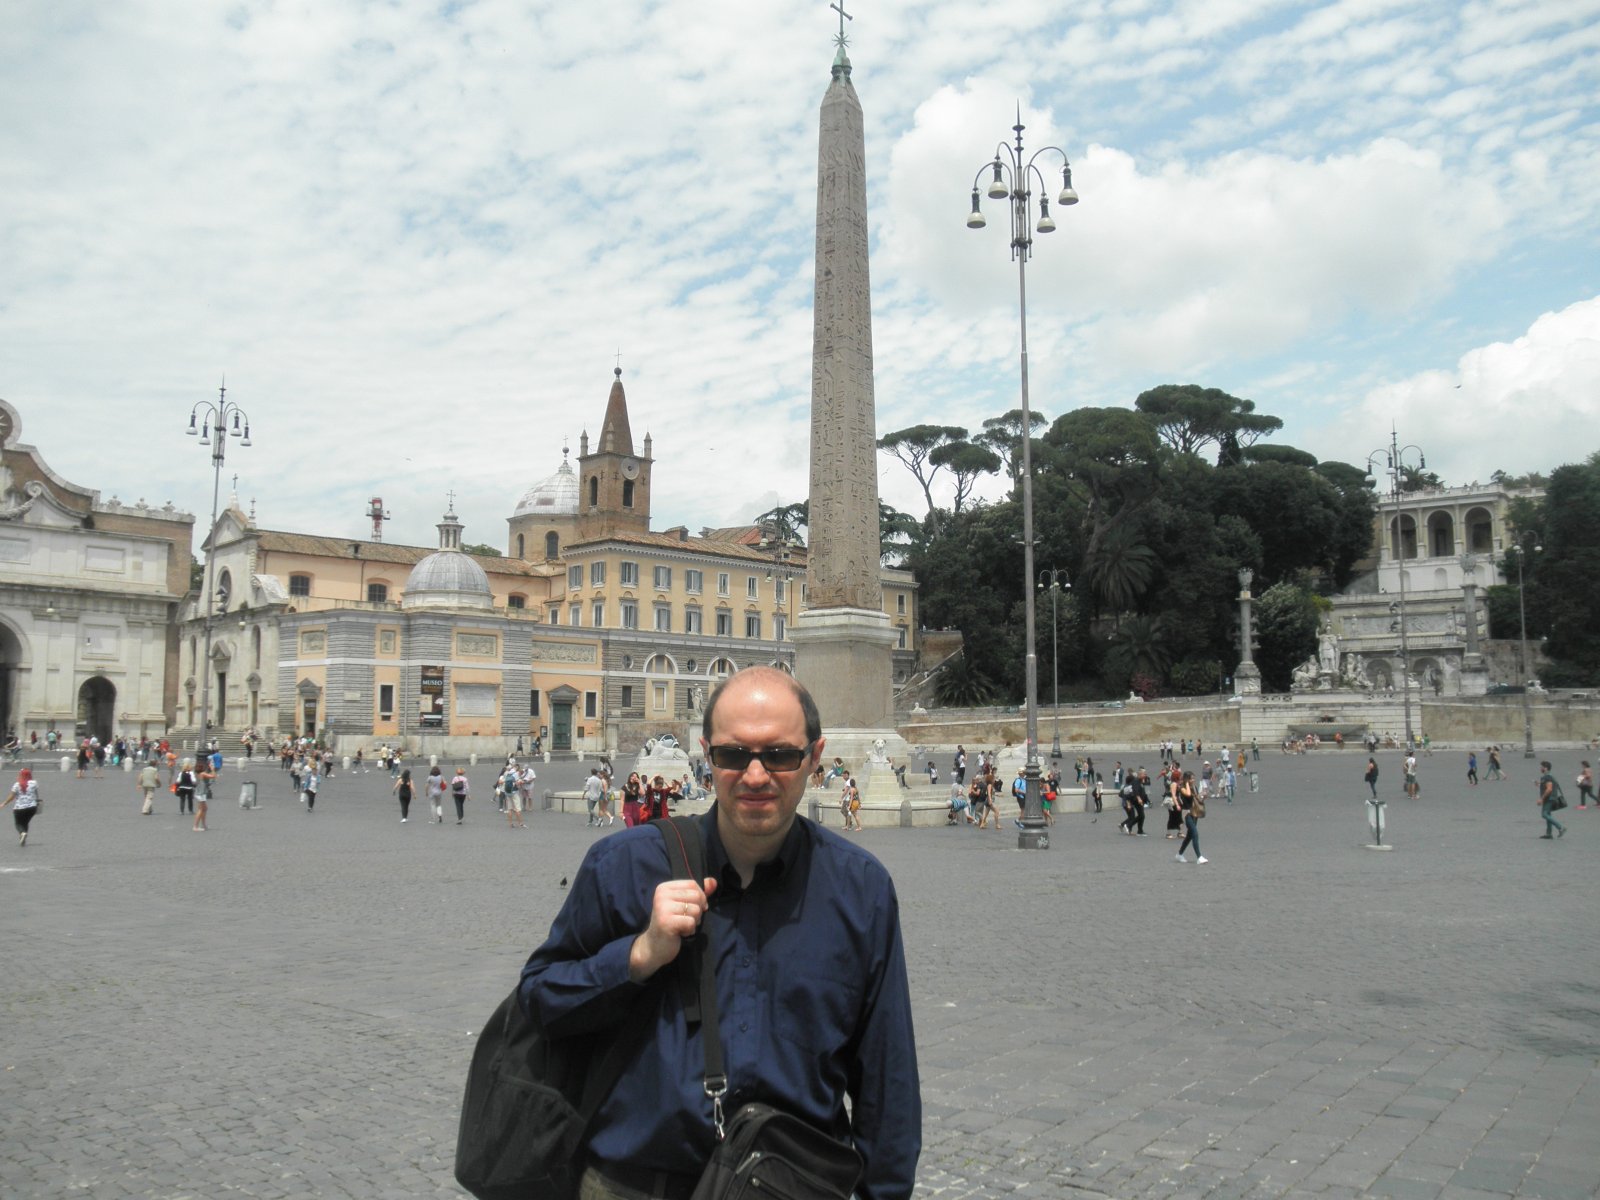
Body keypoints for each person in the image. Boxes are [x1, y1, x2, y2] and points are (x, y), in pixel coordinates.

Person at [519, 666, 920, 1200]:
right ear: (707, 757)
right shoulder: (622, 867)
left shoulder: (860, 890)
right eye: (734, 755)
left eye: (779, 755)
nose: (755, 775)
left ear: (814, 757)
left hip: (789, 1186)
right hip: (634, 1185)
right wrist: (636, 957)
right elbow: (539, 1003)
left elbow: (887, 1084)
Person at [1175, 770, 1207, 864]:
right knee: (1195, 833)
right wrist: (1187, 784)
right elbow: (1188, 794)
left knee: (1189, 836)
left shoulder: (1194, 787)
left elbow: (1196, 798)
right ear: (1187, 779)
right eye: (1191, 778)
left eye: (1193, 778)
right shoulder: (1182, 788)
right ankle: (1199, 857)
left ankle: (1179, 854)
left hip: (1194, 813)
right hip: (1186, 813)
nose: (1193, 780)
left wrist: (1203, 796)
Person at [4, 767, 41, 846]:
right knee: (25, 822)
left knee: (18, 824)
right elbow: (36, 794)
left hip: (19, 808)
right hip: (32, 808)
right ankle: (23, 838)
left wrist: (4, 803)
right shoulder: (34, 783)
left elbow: (12, 796)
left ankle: (22, 833)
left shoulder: (17, 785)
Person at [1537, 761, 1567, 839]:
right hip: (1550, 798)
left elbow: (1549, 789)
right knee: (1548, 814)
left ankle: (1560, 827)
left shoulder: (1547, 777)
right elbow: (1547, 786)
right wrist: (1539, 784)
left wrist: (1541, 799)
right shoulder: (1549, 777)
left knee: (1544, 814)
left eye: (1542, 767)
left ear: (1546, 768)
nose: (1540, 768)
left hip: (1549, 798)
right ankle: (1549, 833)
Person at [194, 757, 214, 832]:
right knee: (201, 809)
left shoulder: (198, 774)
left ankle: (203, 824)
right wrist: (212, 769)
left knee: (205, 809)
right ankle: (195, 826)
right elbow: (213, 776)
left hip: (200, 793)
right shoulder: (202, 774)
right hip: (201, 793)